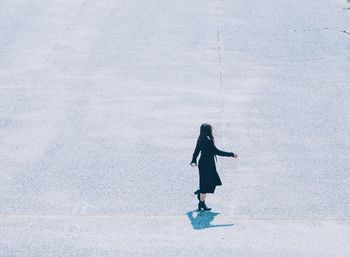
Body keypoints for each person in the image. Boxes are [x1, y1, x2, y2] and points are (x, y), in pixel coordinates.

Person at [190, 123, 238, 211]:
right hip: (207, 165)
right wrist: (231, 154)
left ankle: (200, 194)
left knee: (214, 181)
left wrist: (193, 160)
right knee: (206, 184)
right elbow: (217, 152)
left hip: (205, 164)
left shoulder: (200, 139)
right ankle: (202, 202)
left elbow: (196, 151)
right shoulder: (207, 141)